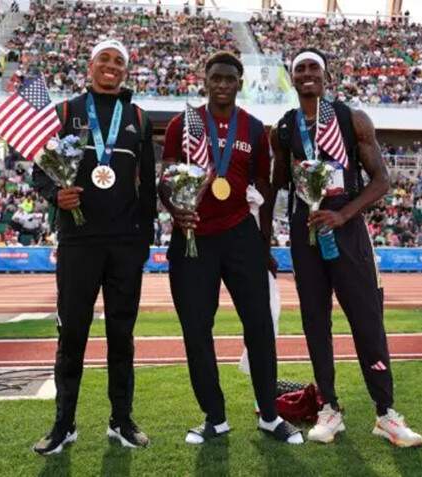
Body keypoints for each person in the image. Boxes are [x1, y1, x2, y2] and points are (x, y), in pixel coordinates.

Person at [265, 48, 422, 447]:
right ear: (292, 76)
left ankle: (386, 413)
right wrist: (262, 238)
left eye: (313, 68)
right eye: (299, 69)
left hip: (348, 228)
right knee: (315, 321)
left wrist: (344, 214)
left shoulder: (352, 118)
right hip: (306, 233)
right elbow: (273, 186)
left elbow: (381, 179)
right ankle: (329, 408)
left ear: (325, 74)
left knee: (367, 320)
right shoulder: (283, 129)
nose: (306, 74)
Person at [161, 52, 303, 445]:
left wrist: (264, 245)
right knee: (196, 330)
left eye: (229, 78)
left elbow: (263, 189)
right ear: (204, 81)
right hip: (192, 238)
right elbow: (165, 179)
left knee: (259, 326)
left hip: (241, 235)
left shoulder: (256, 129)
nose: (222, 84)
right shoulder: (182, 124)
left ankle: (270, 416)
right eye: (215, 78)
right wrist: (176, 212)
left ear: (240, 83)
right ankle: (215, 417)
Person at [32, 39, 157, 455]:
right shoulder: (65, 112)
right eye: (104, 59)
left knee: (122, 336)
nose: (111, 66)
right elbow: (40, 170)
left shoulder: (138, 117)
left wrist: (143, 242)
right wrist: (54, 195)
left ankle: (121, 420)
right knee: (72, 336)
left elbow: (149, 188)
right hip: (78, 242)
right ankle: (63, 424)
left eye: (119, 61)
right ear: (90, 66)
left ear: (125, 71)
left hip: (125, 246)